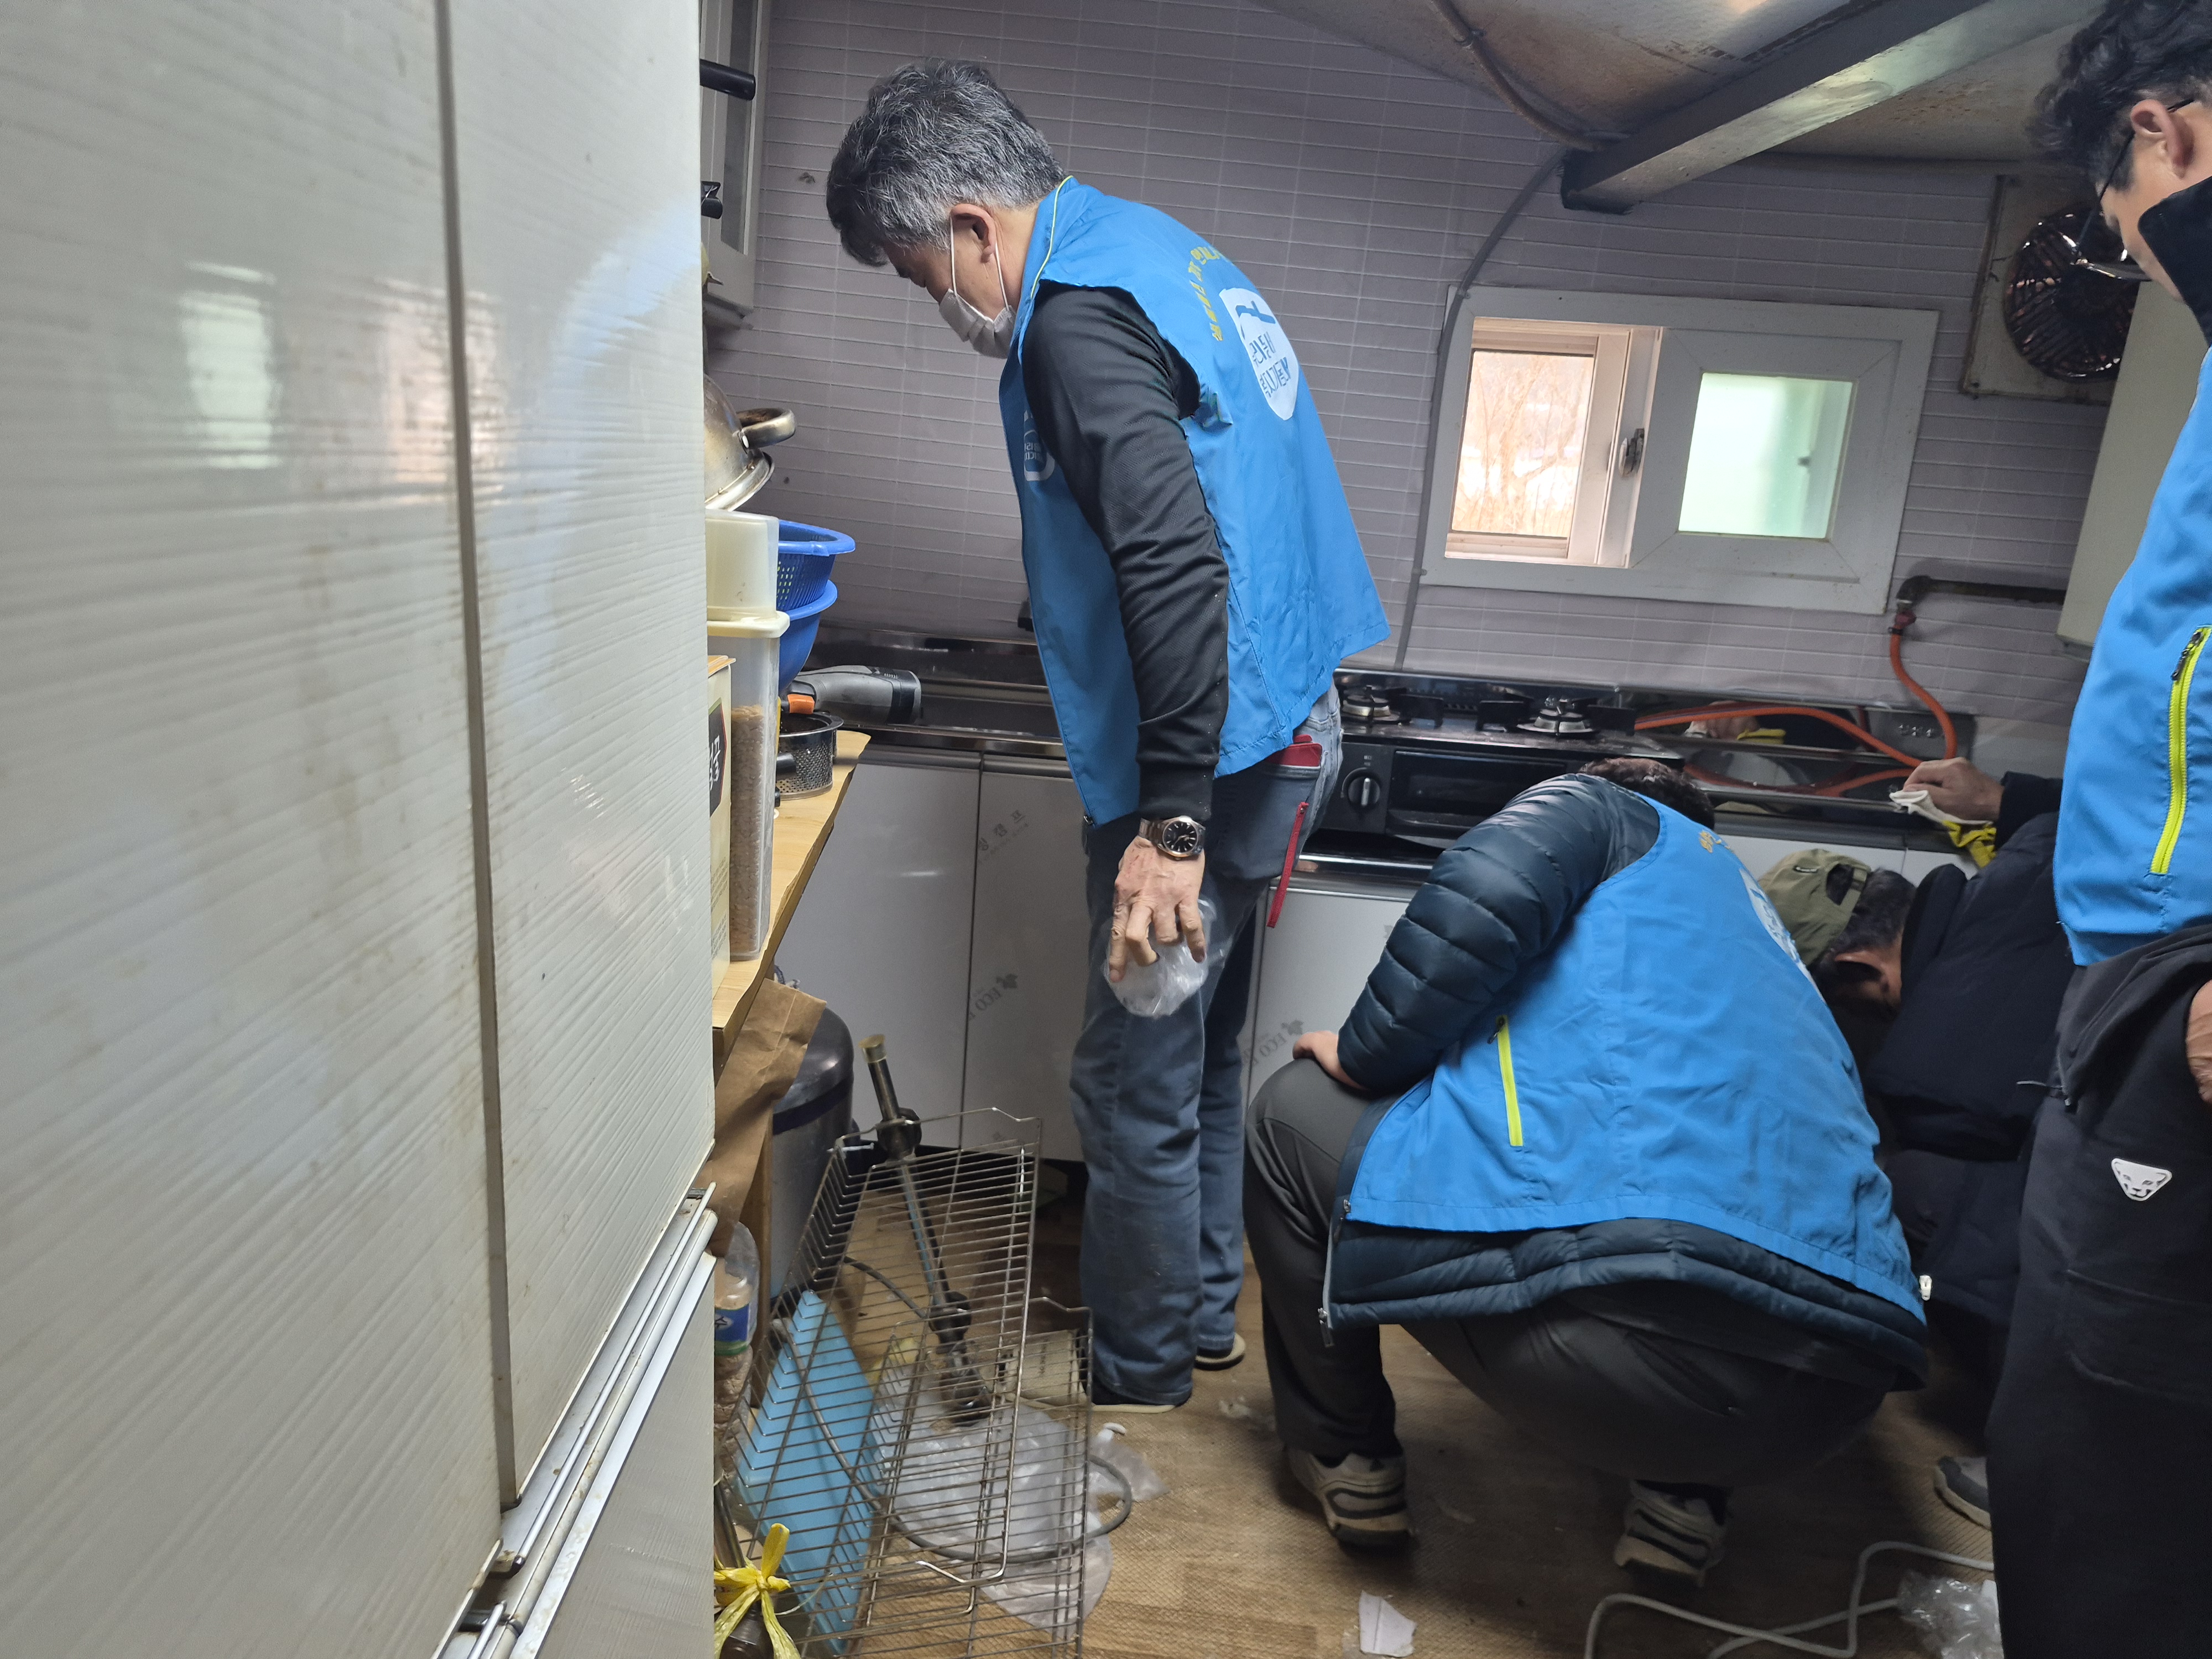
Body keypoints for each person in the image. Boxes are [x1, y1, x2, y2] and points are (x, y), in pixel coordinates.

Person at [825, 62, 1387, 1410]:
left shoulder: (1074, 323)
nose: (932, 300)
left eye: (917, 271)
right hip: (1280, 727)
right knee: (1193, 1053)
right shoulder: (1152, 250)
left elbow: (1176, 564)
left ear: (971, 225)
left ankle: (1136, 1371)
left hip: (1214, 768)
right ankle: (1194, 1315)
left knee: (1132, 1072)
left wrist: (1169, 826)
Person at [1245, 759, 1925, 1583]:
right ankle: (1683, 1504)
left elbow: (1484, 893)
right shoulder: (1759, 928)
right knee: (1709, 1217)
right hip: (1833, 1403)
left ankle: (1347, 1457)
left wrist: (1362, 1057)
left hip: (1622, 1372)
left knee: (1290, 1113)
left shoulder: (1606, 811)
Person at [2000, 13, 2212, 1651]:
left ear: (2165, 134)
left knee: (2105, 1459)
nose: (2134, 255)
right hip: (2148, 961)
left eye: (2121, 222)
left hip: (2184, 975)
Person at [1761, 757, 2073, 1531]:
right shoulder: (2026, 859)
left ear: (1858, 964)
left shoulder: (1934, 1067)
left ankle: (2051, 1469)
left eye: (1852, 1003)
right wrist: (2007, 798)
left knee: (1912, 1188)